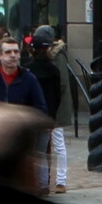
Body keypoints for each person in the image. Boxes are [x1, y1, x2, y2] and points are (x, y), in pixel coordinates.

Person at [27, 26, 71, 192]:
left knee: (55, 145)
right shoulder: (50, 63)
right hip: (51, 109)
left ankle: (58, 181)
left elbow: (62, 86)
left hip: (53, 109)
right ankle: (44, 182)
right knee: (44, 149)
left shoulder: (57, 58)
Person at [0, 38, 47, 114]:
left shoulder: (29, 79)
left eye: (16, 52)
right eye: (8, 52)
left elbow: (41, 110)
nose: (13, 55)